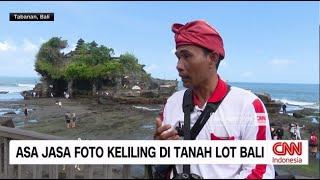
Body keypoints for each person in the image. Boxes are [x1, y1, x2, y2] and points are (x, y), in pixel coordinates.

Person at [153, 20, 274, 179]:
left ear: (213, 58)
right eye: (178, 57)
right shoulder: (172, 103)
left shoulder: (248, 105)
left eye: (187, 56)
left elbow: (261, 171)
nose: (179, 65)